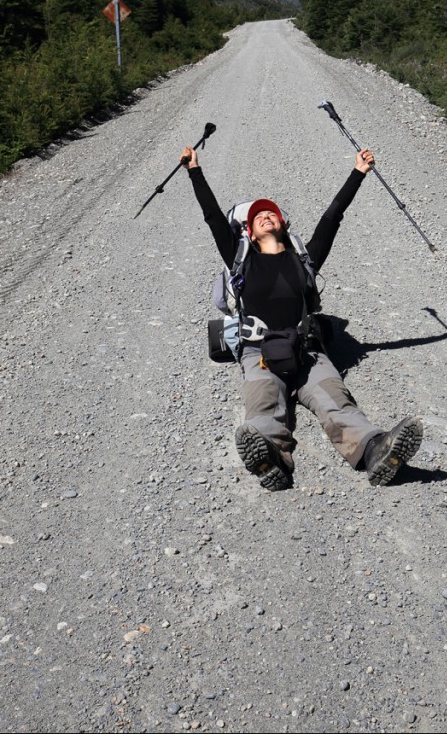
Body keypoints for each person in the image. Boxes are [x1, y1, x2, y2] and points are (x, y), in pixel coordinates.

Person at [180, 143, 423, 491]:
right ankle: (270, 457)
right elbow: (213, 217)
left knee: (336, 400)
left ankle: (374, 450)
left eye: (272, 213)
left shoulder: (305, 260)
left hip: (308, 351)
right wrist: (195, 170)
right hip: (258, 351)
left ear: (282, 224)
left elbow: (332, 217)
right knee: (263, 404)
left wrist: (358, 173)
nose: (265, 215)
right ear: (248, 231)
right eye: (257, 217)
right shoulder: (240, 260)